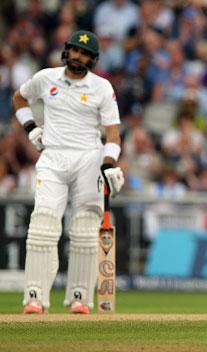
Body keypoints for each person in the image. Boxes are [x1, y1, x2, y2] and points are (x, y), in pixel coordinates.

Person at [12, 30, 125, 315]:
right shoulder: (45, 78)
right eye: (75, 50)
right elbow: (19, 99)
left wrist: (110, 163)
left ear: (93, 59)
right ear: (66, 51)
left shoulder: (101, 87)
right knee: (42, 225)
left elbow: (113, 134)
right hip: (52, 157)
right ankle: (35, 297)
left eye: (84, 53)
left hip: (89, 158)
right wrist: (31, 129)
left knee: (86, 230)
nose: (78, 56)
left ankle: (80, 297)